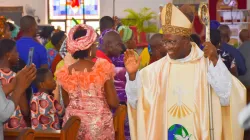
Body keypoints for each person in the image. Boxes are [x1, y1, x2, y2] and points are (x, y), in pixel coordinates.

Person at [124, 3, 246, 140]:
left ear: (186, 40)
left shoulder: (207, 66)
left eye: (172, 42)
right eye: (165, 42)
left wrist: (215, 61)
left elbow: (228, 96)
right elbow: (136, 102)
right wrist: (133, 76)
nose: (167, 47)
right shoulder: (153, 71)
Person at [55, 24, 119, 139]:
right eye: (95, 44)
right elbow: (113, 102)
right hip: (98, 128)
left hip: (73, 128)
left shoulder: (65, 73)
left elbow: (67, 103)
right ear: (89, 47)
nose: (96, 47)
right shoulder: (102, 68)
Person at [0, 63, 36, 139]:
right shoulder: (13, 75)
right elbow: (4, 113)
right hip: (16, 125)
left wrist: (15, 83)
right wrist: (19, 89)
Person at [0, 39, 30, 129]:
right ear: (8, 55)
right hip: (14, 125)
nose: (18, 54)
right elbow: (24, 109)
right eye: (15, 51)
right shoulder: (16, 77)